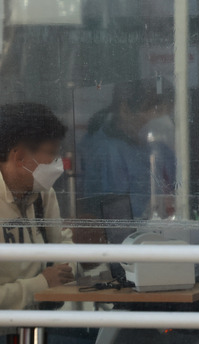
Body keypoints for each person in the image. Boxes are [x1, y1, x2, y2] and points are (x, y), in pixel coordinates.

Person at [0, 103, 74, 310]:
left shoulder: (42, 194)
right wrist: (41, 284)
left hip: (38, 324)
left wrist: (67, 269)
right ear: (20, 157)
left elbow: (60, 244)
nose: (57, 163)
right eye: (51, 153)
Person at [78, 78, 176, 221]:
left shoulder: (156, 147)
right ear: (125, 110)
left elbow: (177, 185)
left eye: (166, 111)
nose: (160, 118)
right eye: (154, 110)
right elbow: (116, 212)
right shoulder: (108, 151)